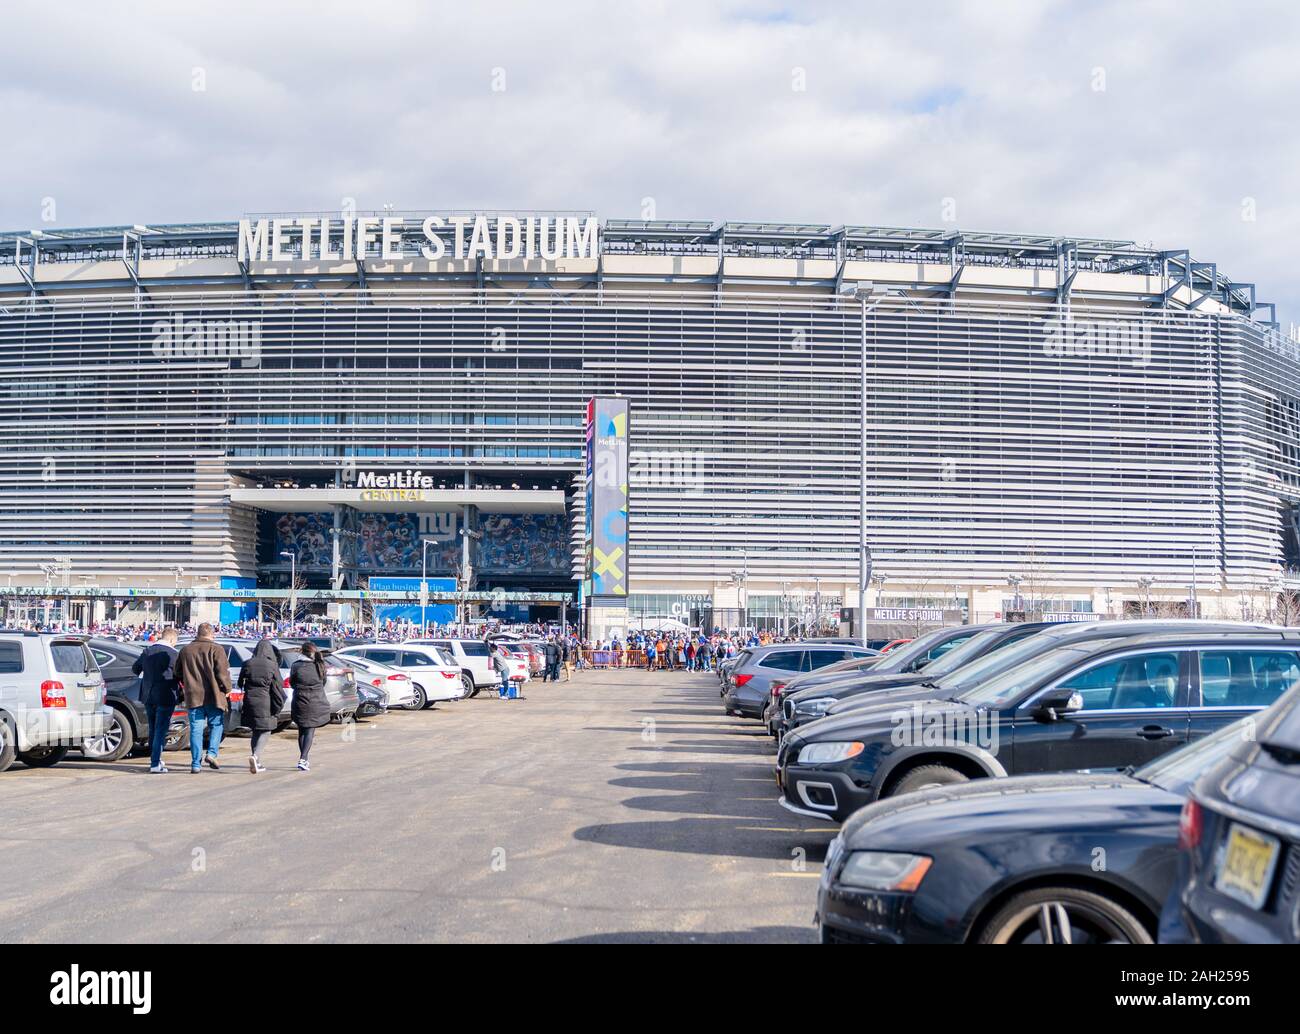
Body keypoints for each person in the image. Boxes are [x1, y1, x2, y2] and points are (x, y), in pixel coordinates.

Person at [174, 622, 232, 773]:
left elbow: (177, 672)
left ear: (197, 633)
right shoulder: (217, 649)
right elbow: (222, 673)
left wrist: (188, 681)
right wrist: (227, 689)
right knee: (217, 725)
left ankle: (195, 764)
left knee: (196, 730)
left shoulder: (186, 650)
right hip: (214, 695)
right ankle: (212, 753)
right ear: (211, 634)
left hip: (193, 696)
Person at [133, 626, 180, 773]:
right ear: (172, 639)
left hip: (148, 695)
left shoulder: (147, 651)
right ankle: (155, 763)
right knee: (161, 729)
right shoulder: (173, 654)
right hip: (166, 696)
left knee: (153, 728)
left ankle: (155, 759)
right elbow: (180, 674)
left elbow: (135, 669)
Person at [238, 639, 284, 774]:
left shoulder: (247, 663)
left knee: (256, 730)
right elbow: (278, 684)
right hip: (266, 700)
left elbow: (241, 682)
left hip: (249, 700)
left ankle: (256, 761)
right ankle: (255, 756)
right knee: (266, 729)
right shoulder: (272, 665)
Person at [289, 643, 330, 771]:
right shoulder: (320, 665)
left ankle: (304, 758)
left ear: (302, 651)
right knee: (309, 730)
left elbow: (292, 683)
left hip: (300, 700)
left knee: (302, 730)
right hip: (316, 701)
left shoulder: (296, 665)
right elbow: (323, 682)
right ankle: (303, 758)